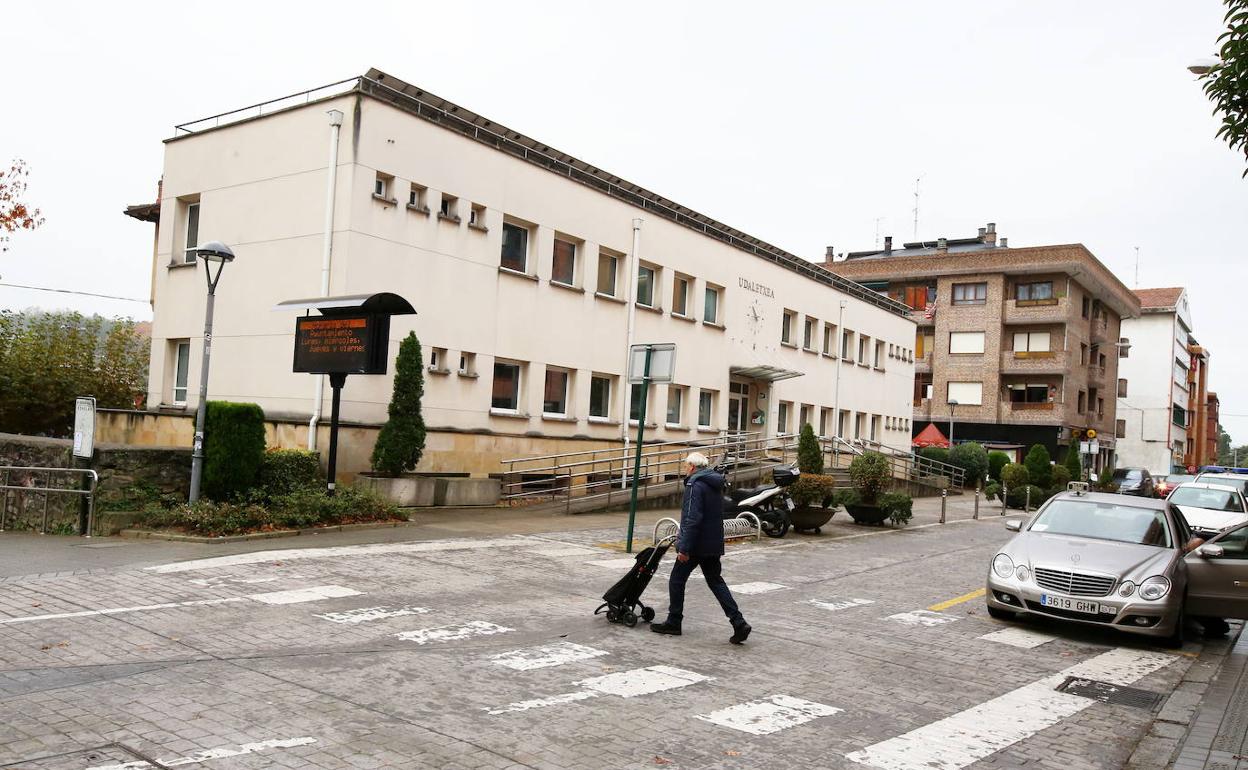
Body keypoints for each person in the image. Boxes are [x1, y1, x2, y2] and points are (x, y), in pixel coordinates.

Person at [651, 452, 751, 644]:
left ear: (692, 466)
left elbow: (692, 518)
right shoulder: (715, 483)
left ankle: (674, 621)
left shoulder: (694, 484)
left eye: (685, 466)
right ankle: (739, 622)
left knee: (676, 580)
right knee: (716, 582)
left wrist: (684, 548)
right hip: (712, 543)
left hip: (696, 544)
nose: (684, 469)